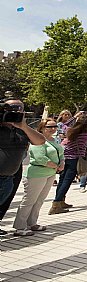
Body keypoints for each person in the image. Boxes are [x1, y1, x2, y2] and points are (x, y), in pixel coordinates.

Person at [0, 98, 46, 235]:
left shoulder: (22, 129)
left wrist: (24, 126)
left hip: (10, 176)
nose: (14, 111)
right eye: (10, 108)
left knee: (3, 204)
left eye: (18, 108)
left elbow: (40, 141)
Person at [13, 118, 64, 235]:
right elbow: (40, 158)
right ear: (42, 128)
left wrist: (62, 162)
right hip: (36, 174)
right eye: (49, 127)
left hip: (50, 174)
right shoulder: (37, 140)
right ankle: (20, 227)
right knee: (29, 200)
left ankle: (32, 223)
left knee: (39, 200)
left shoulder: (54, 140)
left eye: (55, 126)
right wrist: (56, 166)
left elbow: (60, 153)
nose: (53, 129)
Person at [50, 111, 87, 214]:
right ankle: (56, 203)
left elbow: (64, 124)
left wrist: (75, 116)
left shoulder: (70, 131)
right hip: (75, 159)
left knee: (62, 180)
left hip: (64, 157)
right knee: (67, 181)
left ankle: (61, 200)